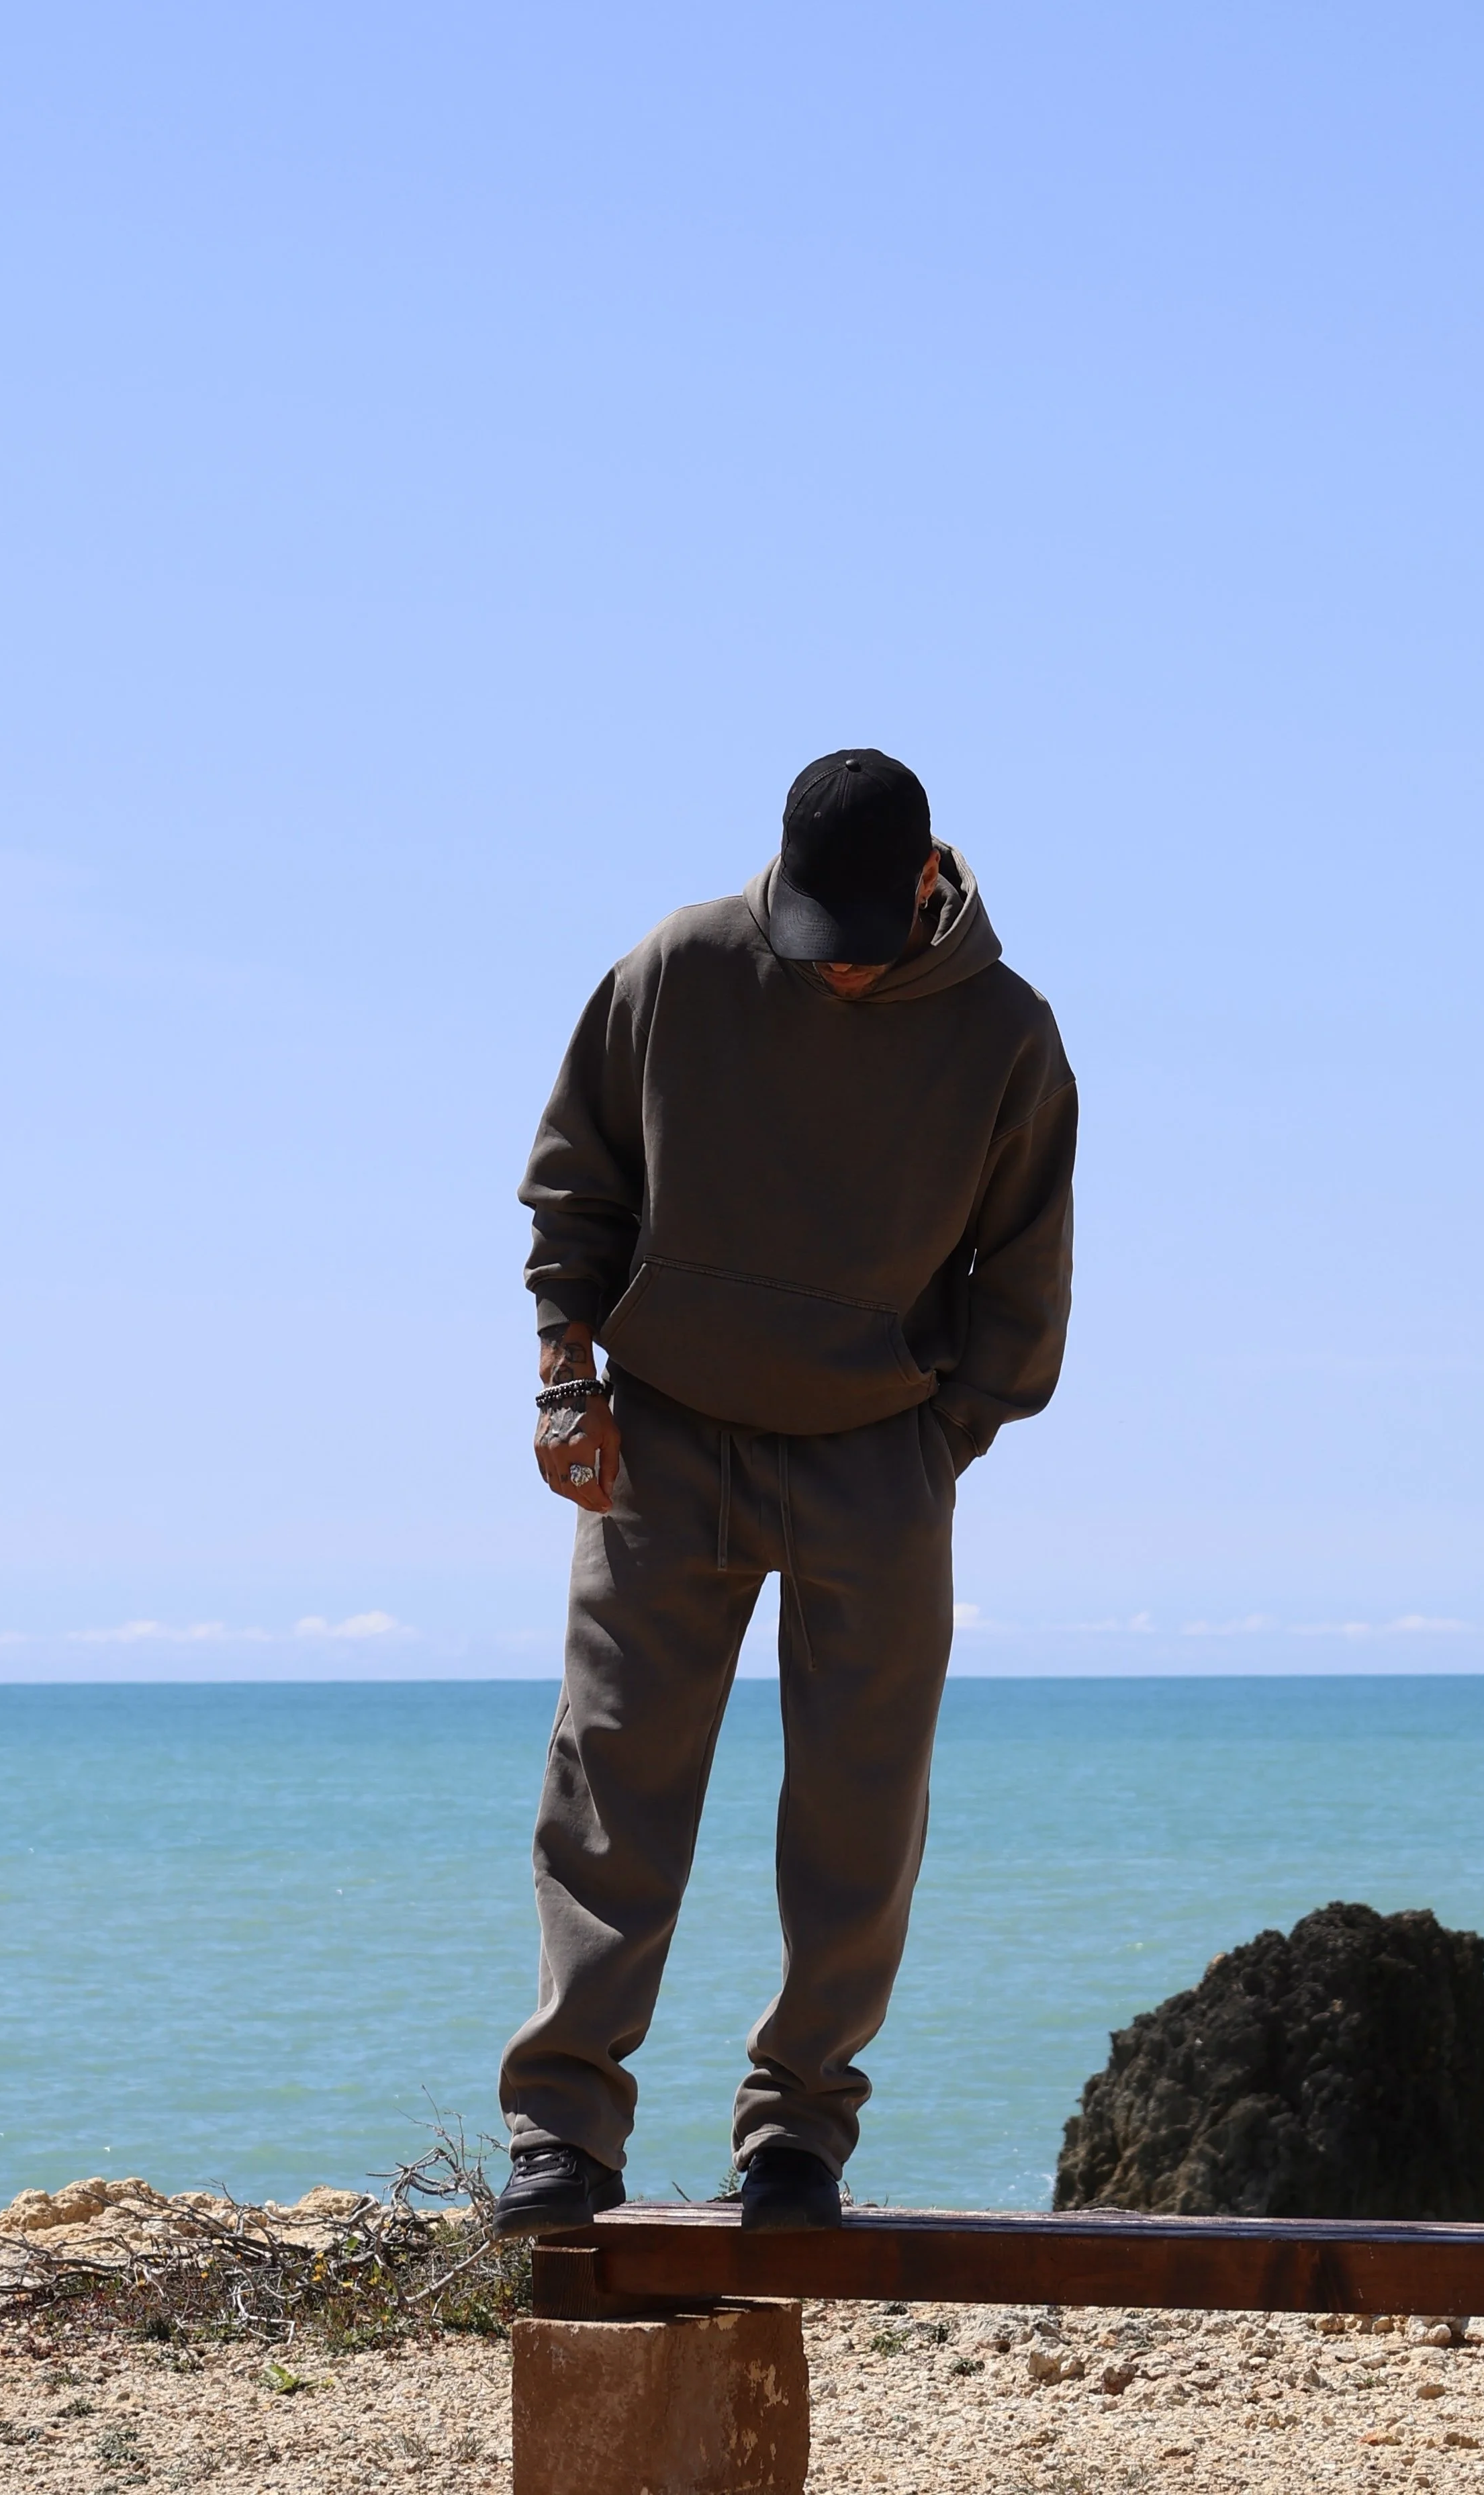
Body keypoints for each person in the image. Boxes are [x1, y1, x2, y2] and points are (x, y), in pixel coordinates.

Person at [494, 747, 1076, 2238]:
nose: (838, 979)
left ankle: (795, 2140)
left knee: (856, 1818)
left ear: (928, 879)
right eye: (817, 947)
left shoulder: (1006, 1034)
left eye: (865, 950)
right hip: (664, 1435)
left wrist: (938, 1440)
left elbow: (1022, 1270)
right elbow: (576, 1183)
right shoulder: (681, 965)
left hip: (875, 1456)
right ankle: (562, 2133)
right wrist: (568, 1378)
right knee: (610, 1785)